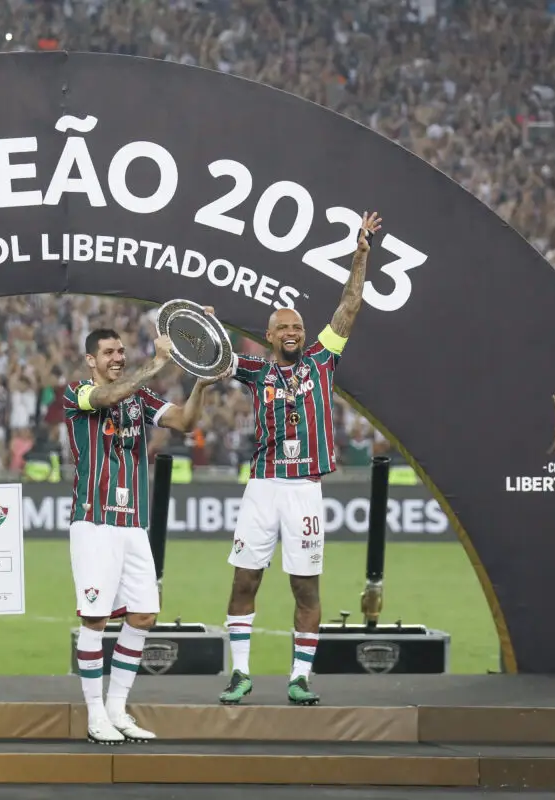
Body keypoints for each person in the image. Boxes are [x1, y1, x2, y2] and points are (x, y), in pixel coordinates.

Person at [219, 211, 382, 707]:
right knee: (245, 579)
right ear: (269, 335)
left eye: (298, 326)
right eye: (283, 326)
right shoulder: (252, 371)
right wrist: (201, 327)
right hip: (263, 487)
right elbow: (211, 358)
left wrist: (360, 253)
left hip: (305, 488)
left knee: (305, 587)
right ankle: (240, 674)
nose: (292, 331)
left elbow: (350, 305)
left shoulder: (320, 359)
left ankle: (301, 678)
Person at [65, 325, 219, 744]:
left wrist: (201, 384)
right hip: (94, 521)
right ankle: (96, 714)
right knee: (95, 619)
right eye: (108, 352)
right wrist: (157, 363)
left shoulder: (139, 397)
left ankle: (117, 708)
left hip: (133, 522)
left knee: (144, 615)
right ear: (90, 360)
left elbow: (185, 422)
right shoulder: (76, 393)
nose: (117, 357)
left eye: (121, 351)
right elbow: (107, 397)